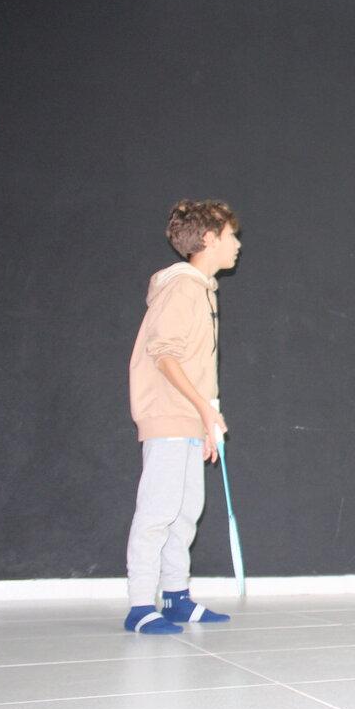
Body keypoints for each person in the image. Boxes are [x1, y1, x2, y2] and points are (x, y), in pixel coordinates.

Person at [123, 200, 241, 633]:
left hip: (189, 418)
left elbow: (198, 367)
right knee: (158, 511)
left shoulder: (203, 290)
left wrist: (207, 418)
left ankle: (175, 597)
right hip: (168, 415)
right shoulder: (182, 287)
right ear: (208, 239)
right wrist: (202, 409)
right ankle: (140, 606)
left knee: (187, 510)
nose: (238, 244)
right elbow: (165, 355)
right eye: (231, 236)